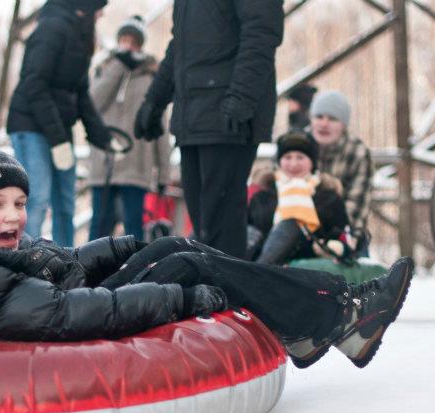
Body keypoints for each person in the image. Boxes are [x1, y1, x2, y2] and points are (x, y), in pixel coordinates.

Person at [0, 145, 414, 370]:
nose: (12, 216)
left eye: (19, 203)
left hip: (73, 297)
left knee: (170, 245)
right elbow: (66, 313)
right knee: (185, 265)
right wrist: (181, 298)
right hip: (76, 316)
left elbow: (64, 264)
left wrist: (126, 247)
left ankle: (323, 322)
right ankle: (340, 316)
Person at [133, 0, 285, 259]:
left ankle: (227, 294)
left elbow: (261, 32)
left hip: (228, 114)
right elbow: (179, 46)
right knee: (203, 223)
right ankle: (214, 291)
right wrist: (154, 100)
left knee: (220, 222)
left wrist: (241, 96)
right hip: (192, 114)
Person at [6, 0, 115, 248]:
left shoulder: (81, 35)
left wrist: (103, 138)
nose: (101, 13)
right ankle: (26, 262)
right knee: (37, 199)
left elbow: (80, 93)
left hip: (57, 130)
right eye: (99, 6)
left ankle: (68, 264)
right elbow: (34, 84)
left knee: (65, 203)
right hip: (30, 125)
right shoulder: (51, 28)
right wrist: (58, 141)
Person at [87, 15, 171, 241]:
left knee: (134, 228)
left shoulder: (151, 76)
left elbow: (160, 126)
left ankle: (135, 274)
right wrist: (118, 65)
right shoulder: (105, 68)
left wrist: (164, 172)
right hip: (104, 164)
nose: (128, 44)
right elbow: (92, 103)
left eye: (133, 40)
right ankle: (88, 274)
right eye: (124, 39)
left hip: (137, 167)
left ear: (140, 44)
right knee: (99, 228)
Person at [247, 130, 350, 266]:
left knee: (291, 224)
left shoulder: (328, 197)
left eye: (300, 157)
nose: (294, 164)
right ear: (279, 161)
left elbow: (344, 240)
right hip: (261, 260)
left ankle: (259, 272)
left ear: (312, 162)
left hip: (308, 269)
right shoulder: (263, 194)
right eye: (288, 157)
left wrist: (330, 247)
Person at [309, 90, 374, 256]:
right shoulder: (296, 147)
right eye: (319, 117)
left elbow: (356, 206)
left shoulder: (357, 152)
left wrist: (339, 242)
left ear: (343, 125)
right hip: (301, 231)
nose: (324, 124)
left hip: (344, 231)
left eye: (332, 119)